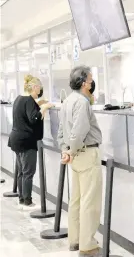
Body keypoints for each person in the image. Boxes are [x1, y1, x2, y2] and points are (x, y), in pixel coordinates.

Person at [57, 66, 102, 257]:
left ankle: (74, 240)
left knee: (75, 200)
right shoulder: (82, 102)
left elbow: (62, 131)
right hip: (86, 154)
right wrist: (72, 151)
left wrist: (65, 150)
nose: (92, 83)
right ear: (84, 83)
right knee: (89, 201)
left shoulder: (67, 101)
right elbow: (80, 130)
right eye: (91, 80)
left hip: (74, 157)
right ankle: (88, 245)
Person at [8, 74, 53, 209]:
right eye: (39, 88)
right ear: (35, 87)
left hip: (17, 139)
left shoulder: (19, 98)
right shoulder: (28, 100)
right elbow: (33, 118)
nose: (40, 91)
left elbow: (26, 114)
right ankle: (27, 200)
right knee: (28, 172)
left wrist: (39, 105)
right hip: (26, 141)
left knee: (22, 171)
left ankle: (22, 198)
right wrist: (44, 108)